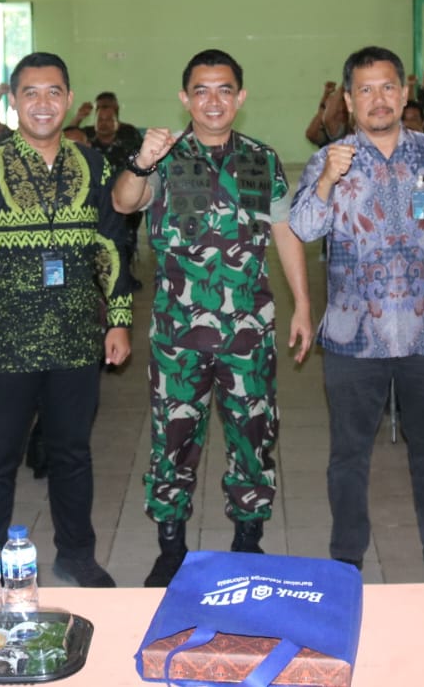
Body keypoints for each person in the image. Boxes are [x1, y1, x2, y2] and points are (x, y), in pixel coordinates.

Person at [0, 52, 132, 588]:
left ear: (67, 97)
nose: (42, 102)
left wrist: (120, 319)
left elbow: (111, 243)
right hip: (5, 341)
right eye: (30, 93)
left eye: (53, 92)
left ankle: (77, 553)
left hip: (76, 338)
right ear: (13, 101)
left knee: (72, 454)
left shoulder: (95, 166)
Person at [289, 46, 424, 582]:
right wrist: (328, 179)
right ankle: (347, 554)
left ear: (404, 94)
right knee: (349, 455)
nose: (377, 99)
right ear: (348, 100)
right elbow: (305, 227)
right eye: (364, 89)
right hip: (356, 337)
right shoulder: (328, 159)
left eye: (387, 88)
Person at [111, 50, 314, 587]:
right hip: (179, 336)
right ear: (185, 98)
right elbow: (125, 202)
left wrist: (303, 306)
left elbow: (285, 231)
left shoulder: (261, 159)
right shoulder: (162, 156)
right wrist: (139, 162)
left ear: (240, 97)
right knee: (172, 440)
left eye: (224, 89)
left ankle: (248, 541)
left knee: (253, 435)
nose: (213, 100)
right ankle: (171, 546)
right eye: (201, 90)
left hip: (249, 334)